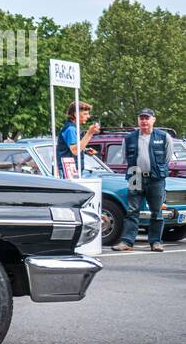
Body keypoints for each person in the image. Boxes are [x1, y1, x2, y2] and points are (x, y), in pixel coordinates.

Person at [112, 109, 172, 252]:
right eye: (141, 118)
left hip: (156, 177)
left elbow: (167, 158)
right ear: (138, 120)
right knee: (132, 210)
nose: (144, 121)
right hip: (135, 175)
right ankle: (127, 242)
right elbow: (125, 157)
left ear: (153, 120)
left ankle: (155, 242)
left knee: (156, 211)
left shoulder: (164, 137)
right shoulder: (129, 138)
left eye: (147, 118)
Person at [56, 101, 99, 177]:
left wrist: (85, 150)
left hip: (71, 169)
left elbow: (72, 148)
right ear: (76, 114)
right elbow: (75, 150)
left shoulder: (73, 127)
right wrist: (89, 133)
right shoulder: (71, 129)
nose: (88, 116)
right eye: (85, 114)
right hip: (69, 170)